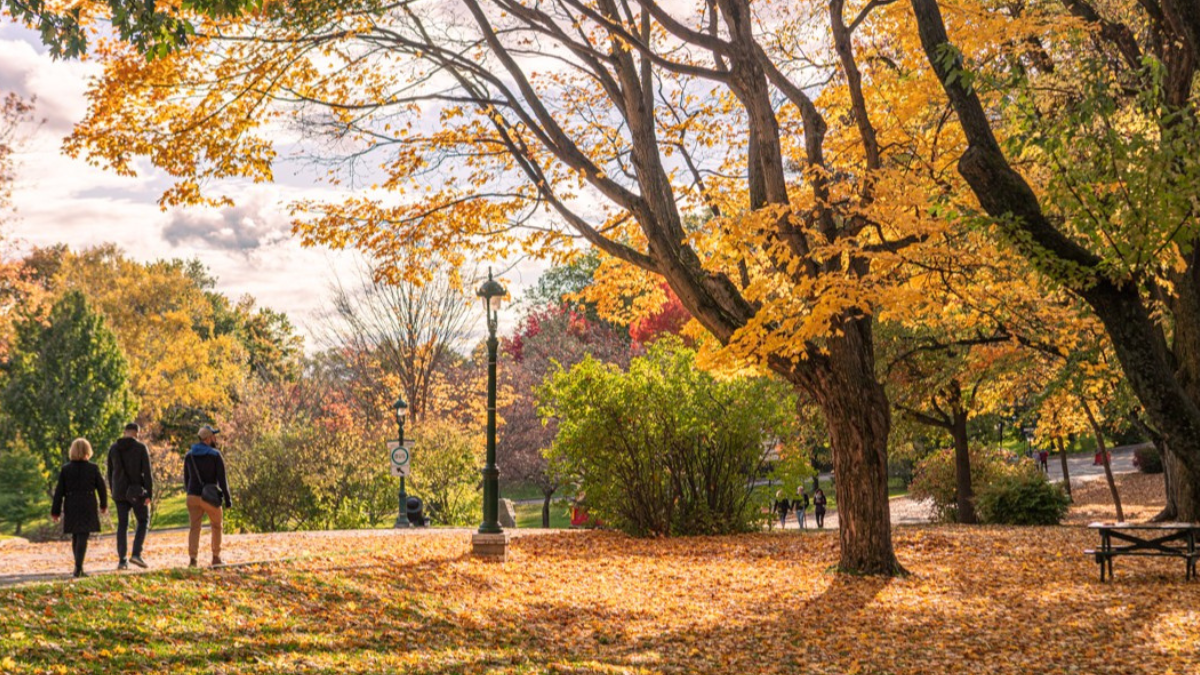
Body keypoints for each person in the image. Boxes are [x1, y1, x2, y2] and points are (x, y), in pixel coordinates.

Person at [51, 438, 108, 578]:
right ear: (88, 451)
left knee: (76, 535)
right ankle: (78, 567)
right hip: (87, 503)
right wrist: (103, 504)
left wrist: (55, 511)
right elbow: (101, 488)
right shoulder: (93, 468)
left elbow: (59, 492)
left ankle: (78, 566)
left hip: (71, 503)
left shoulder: (66, 469)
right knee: (83, 534)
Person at [107, 422, 153, 570]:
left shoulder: (114, 449)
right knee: (143, 520)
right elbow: (147, 473)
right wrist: (149, 493)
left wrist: (113, 489)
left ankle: (122, 560)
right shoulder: (140, 448)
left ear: (125, 431)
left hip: (119, 492)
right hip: (136, 491)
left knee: (122, 525)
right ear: (137, 433)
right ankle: (136, 553)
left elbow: (110, 472)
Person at [184, 424, 231, 568]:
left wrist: (190, 492)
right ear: (209, 438)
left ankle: (193, 559)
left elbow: (186, 478)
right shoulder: (215, 455)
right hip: (209, 497)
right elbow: (222, 480)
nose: (215, 438)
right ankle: (216, 557)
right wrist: (228, 500)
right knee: (216, 526)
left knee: (194, 528)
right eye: (214, 436)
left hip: (192, 496)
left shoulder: (189, 455)